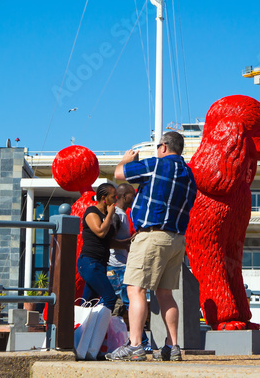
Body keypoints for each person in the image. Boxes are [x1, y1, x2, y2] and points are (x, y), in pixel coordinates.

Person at [107, 131, 197, 362]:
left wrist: (127, 159)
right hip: (176, 239)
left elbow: (118, 175)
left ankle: (136, 345)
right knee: (165, 293)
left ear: (164, 147)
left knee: (135, 289)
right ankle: (172, 346)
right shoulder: (189, 175)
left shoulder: (156, 165)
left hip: (152, 235)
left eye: (158, 147)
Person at [77, 182, 119, 311]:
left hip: (100, 263)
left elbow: (108, 242)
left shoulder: (106, 216)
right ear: (103, 198)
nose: (115, 200)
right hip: (89, 262)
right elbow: (100, 232)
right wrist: (110, 214)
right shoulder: (91, 212)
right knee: (110, 298)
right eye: (113, 197)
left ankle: (81, 329)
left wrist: (128, 243)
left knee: (88, 303)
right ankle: (100, 330)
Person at [107, 183, 136, 317]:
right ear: (124, 196)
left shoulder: (122, 214)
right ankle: (142, 338)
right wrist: (129, 242)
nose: (134, 198)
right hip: (117, 267)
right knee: (129, 302)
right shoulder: (117, 215)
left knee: (118, 303)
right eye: (132, 195)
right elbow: (109, 242)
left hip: (120, 266)